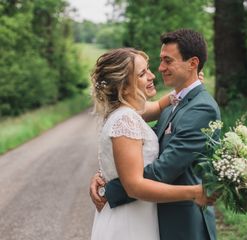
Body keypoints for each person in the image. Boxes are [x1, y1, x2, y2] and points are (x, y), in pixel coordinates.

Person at [90, 29, 221, 240]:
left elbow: (161, 170)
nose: (157, 71)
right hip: (136, 219)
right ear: (123, 88)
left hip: (182, 223)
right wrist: (107, 174)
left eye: (167, 61)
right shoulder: (136, 114)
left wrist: (110, 187)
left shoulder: (199, 108)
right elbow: (132, 155)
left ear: (192, 63)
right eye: (143, 73)